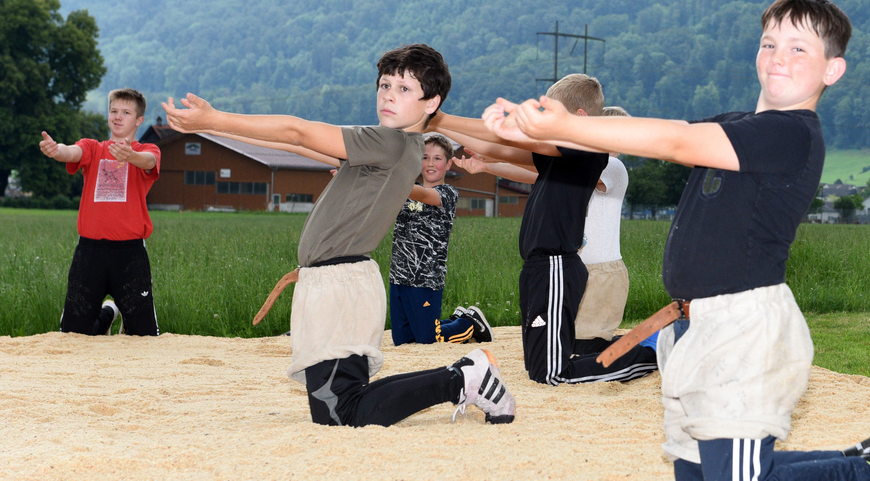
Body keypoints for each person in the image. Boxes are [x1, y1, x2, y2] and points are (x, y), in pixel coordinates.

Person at [484, 0, 870, 481]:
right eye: (769, 43)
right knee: (701, 471)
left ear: (832, 70)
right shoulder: (739, 126)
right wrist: (528, 129)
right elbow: (668, 135)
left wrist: (563, 123)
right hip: (692, 326)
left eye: (799, 49)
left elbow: (677, 140)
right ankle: (869, 461)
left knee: (736, 477)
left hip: (745, 327)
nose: (778, 57)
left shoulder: (791, 133)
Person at [162, 44, 514, 427]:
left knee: (340, 410)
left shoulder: (390, 142)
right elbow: (291, 143)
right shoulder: (390, 143)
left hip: (341, 284)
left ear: (432, 103)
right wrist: (209, 127)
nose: (389, 96)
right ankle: (463, 376)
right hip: (333, 281)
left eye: (404, 89)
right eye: (384, 85)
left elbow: (297, 130)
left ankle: (463, 379)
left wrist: (216, 117)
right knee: (337, 407)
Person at [430, 74, 658, 386]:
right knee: (547, 364)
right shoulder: (563, 157)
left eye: (550, 114)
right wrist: (472, 154)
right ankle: (641, 348)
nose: (543, 121)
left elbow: (509, 136)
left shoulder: (590, 149)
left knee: (555, 371)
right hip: (540, 267)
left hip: (557, 264)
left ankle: (653, 354)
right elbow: (507, 152)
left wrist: (439, 119)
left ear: (578, 118)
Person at [452, 106, 633, 355]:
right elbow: (536, 173)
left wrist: (502, 156)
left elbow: (543, 167)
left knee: (587, 345)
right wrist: (488, 167)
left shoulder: (614, 168)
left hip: (602, 273)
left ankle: (646, 348)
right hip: (576, 269)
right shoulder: (580, 165)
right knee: (565, 345)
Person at [39, 88, 161, 337]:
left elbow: (149, 161)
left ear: (138, 120)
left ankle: (124, 320)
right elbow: (71, 151)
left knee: (145, 337)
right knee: (72, 335)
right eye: (113, 111)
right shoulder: (93, 148)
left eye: (126, 112)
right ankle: (107, 316)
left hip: (130, 255)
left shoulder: (147, 149)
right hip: (90, 253)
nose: (117, 116)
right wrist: (56, 150)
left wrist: (131, 155)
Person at [388, 133, 493, 345]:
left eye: (437, 158)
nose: (430, 163)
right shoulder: (404, 193)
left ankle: (469, 324)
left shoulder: (448, 193)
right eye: (425, 157)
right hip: (398, 276)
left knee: (429, 340)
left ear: (447, 164)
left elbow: (425, 196)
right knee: (404, 342)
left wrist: (387, 180)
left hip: (426, 278)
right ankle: (456, 319)